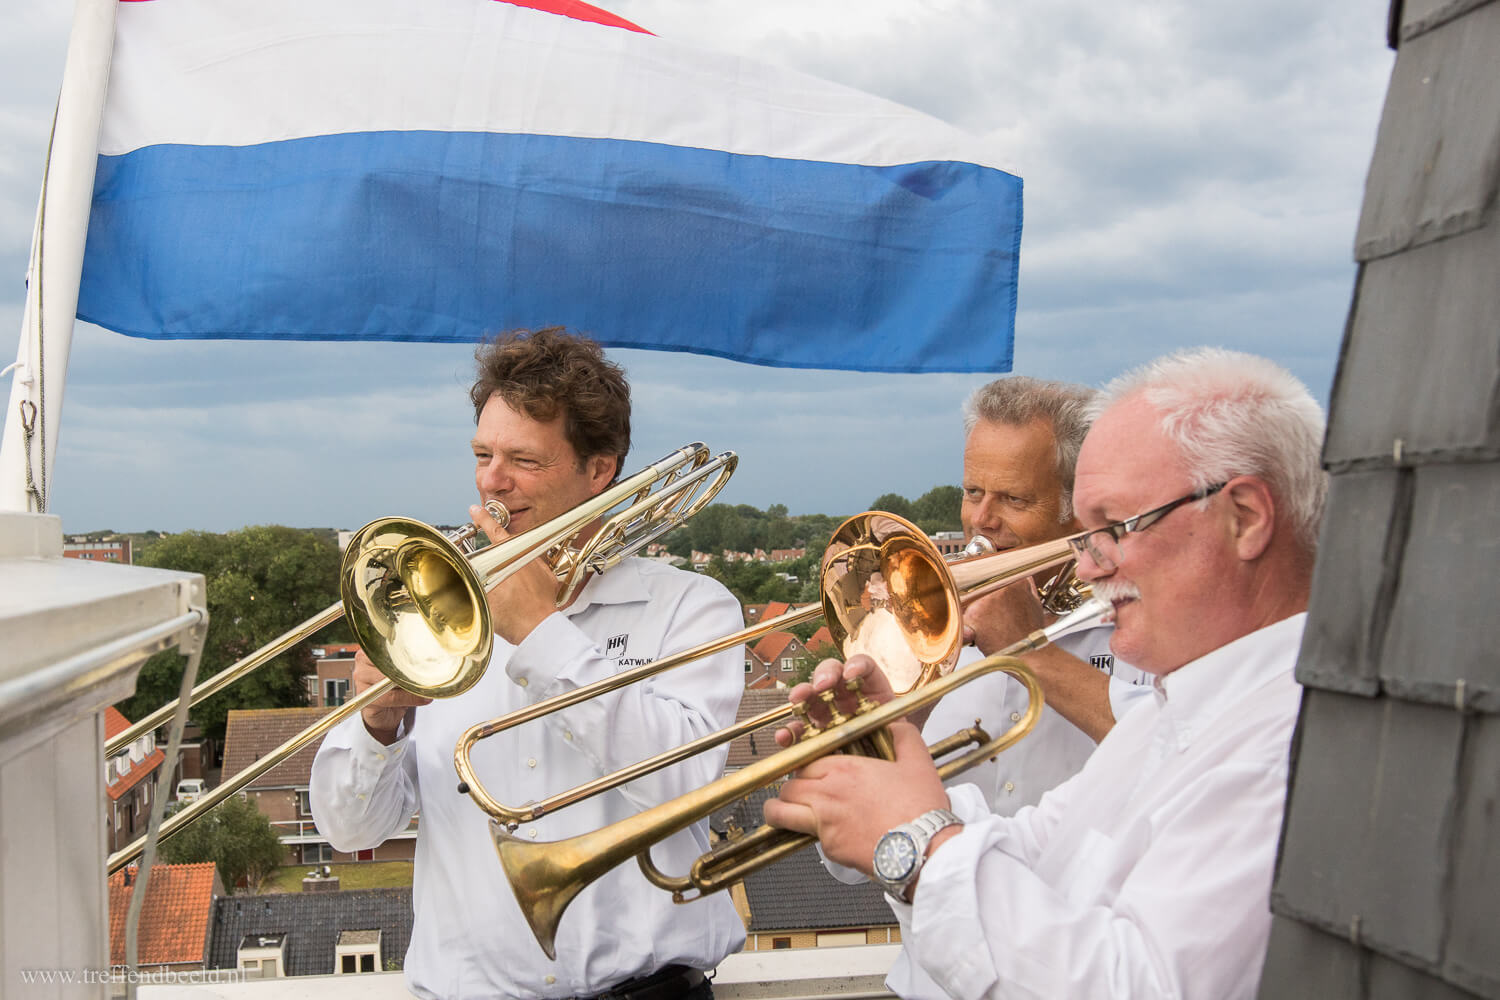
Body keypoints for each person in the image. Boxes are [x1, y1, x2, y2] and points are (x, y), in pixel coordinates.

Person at [765, 347, 1325, 999]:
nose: (1087, 564)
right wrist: (882, 766)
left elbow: (1139, 986)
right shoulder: (1177, 715)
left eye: (1114, 526)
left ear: (1246, 518)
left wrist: (918, 846)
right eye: (973, 493)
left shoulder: (1282, 743)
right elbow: (1026, 849)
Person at [311, 328, 746, 1000]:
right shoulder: (432, 612)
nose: (492, 480)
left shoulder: (692, 609)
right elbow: (349, 831)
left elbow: (682, 782)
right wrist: (376, 726)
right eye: (483, 454)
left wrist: (542, 633)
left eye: (524, 460)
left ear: (599, 469)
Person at [920, 376, 1151, 815]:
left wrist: (1027, 649)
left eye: (1014, 499)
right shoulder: (927, 624)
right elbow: (843, 864)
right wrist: (897, 710)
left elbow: (1176, 758)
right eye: (973, 493)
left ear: (1080, 510)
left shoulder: (1146, 631)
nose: (982, 519)